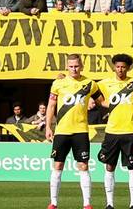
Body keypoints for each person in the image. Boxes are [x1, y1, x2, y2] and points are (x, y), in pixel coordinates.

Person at [45, 54, 97, 209]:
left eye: (76, 66)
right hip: (62, 131)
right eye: (71, 66)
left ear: (82, 66)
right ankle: (53, 203)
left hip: (81, 131)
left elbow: (102, 101)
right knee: (58, 165)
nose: (74, 69)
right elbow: (51, 106)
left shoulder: (90, 84)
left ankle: (87, 204)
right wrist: (48, 126)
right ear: (67, 67)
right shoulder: (58, 83)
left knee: (83, 166)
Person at [96, 54, 133, 209]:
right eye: (117, 66)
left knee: (131, 167)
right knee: (109, 166)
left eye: (123, 67)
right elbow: (87, 88)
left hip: (129, 131)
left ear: (128, 68)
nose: (120, 69)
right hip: (111, 132)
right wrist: (103, 103)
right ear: (114, 67)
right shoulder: (104, 83)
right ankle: (109, 203)